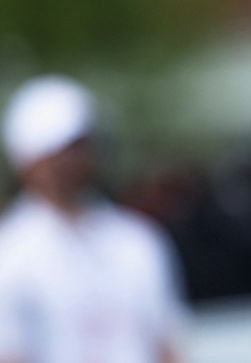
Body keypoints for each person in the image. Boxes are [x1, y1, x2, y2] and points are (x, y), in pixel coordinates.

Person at [0, 75, 185, 363]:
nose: (72, 161)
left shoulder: (136, 239)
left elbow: (166, 344)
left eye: (80, 147)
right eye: (60, 151)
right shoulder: (10, 252)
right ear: (28, 160)